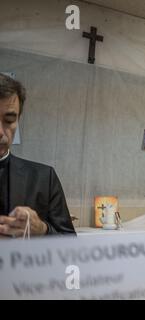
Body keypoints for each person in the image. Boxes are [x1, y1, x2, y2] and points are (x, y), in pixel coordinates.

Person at [0, 73, 75, 238]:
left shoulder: (44, 178)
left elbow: (69, 242)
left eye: (9, 120)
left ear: (18, 120)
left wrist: (42, 229)